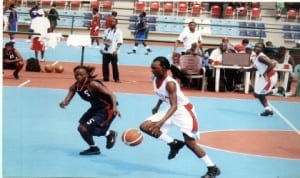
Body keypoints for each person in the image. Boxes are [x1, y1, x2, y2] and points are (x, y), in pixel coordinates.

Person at [139, 56, 221, 178]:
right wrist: (157, 105)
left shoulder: (170, 84)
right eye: (151, 68)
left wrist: (160, 122)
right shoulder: (155, 78)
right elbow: (163, 95)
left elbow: (175, 105)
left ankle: (212, 168)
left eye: (155, 68)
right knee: (145, 126)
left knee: (190, 143)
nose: (152, 70)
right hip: (170, 109)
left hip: (183, 111)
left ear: (165, 68)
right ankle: (173, 143)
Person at [59, 65, 121, 155]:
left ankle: (110, 134)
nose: (78, 77)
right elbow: (69, 96)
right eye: (76, 75)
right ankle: (94, 148)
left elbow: (112, 95)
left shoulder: (93, 84)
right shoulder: (75, 86)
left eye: (81, 74)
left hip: (107, 109)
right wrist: (64, 102)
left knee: (88, 129)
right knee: (81, 128)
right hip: (95, 108)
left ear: (87, 75)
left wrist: (114, 108)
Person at [252, 42, 285, 116]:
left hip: (269, 77)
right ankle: (278, 90)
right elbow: (255, 68)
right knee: (256, 94)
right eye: (256, 46)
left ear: (262, 49)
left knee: (260, 94)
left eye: (259, 47)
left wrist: (264, 73)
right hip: (264, 77)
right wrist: (243, 69)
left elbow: (272, 64)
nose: (257, 48)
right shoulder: (256, 56)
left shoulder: (261, 57)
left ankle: (268, 109)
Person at [100, 18, 123, 83]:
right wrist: (105, 43)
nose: (112, 23)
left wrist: (116, 50)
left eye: (114, 22)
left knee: (114, 65)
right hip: (106, 50)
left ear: (116, 23)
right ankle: (106, 78)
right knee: (104, 65)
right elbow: (104, 39)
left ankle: (116, 78)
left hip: (113, 51)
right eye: (111, 22)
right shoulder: (107, 30)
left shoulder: (119, 31)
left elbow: (119, 42)